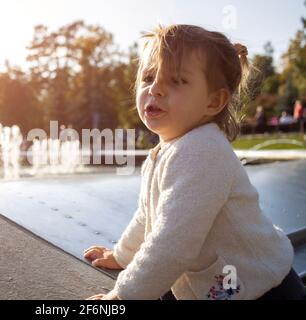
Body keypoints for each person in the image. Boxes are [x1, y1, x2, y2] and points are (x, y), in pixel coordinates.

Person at [84, 24, 305, 300]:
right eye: (149, 77)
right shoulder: (167, 149)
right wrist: (122, 255)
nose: (156, 89)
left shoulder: (202, 151)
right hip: (227, 286)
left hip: (266, 291)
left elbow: (172, 244)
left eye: (176, 81)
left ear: (214, 102)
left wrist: (121, 297)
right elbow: (148, 217)